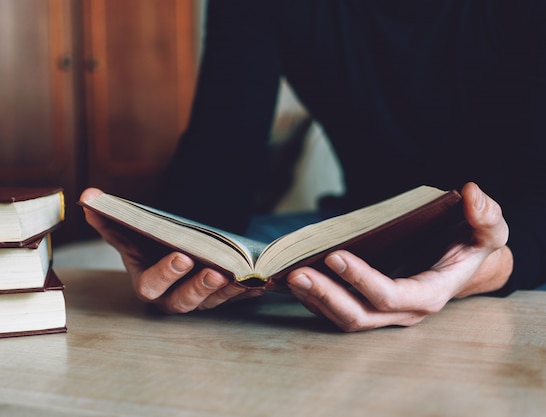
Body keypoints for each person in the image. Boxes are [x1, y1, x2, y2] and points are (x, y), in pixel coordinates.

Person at [81, 0, 546, 331]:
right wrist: (177, 244)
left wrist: (482, 268)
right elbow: (221, 149)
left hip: (518, 232)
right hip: (359, 229)